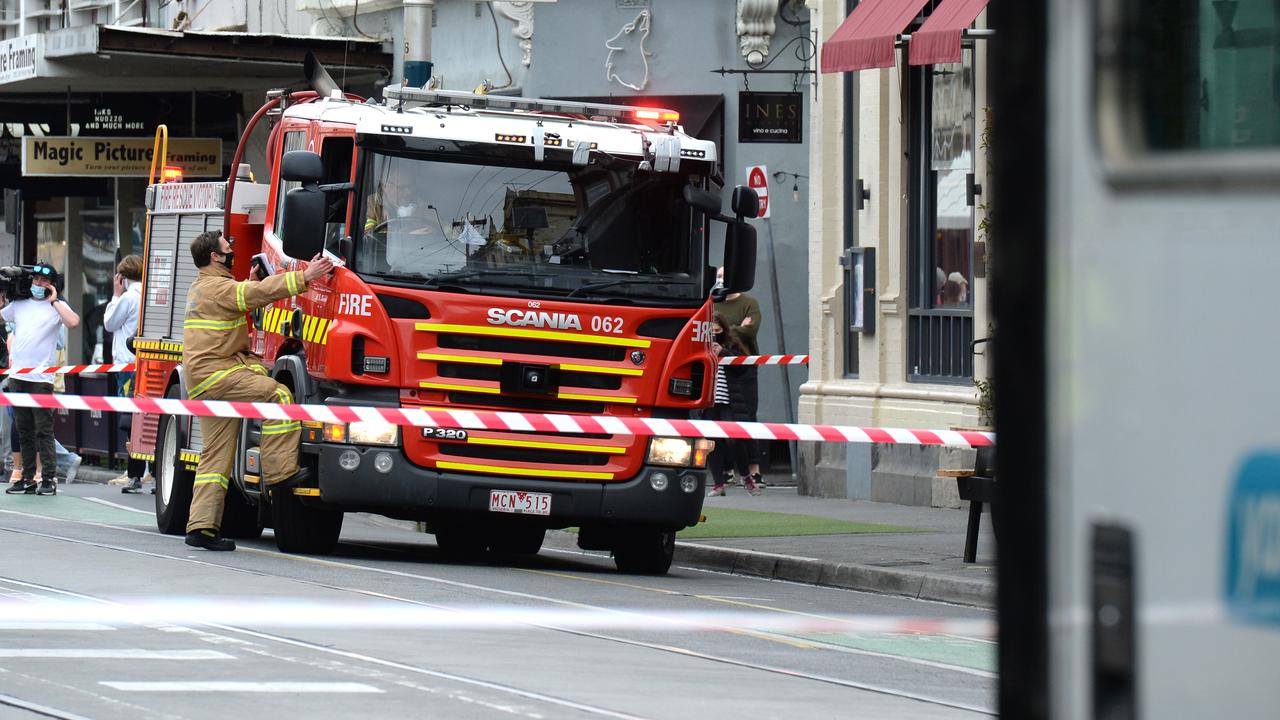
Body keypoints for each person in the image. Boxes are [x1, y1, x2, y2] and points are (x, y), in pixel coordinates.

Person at [181, 230, 333, 550]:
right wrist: (307, 276)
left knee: (215, 457)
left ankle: (201, 528)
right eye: (227, 248)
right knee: (278, 396)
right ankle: (279, 476)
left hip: (203, 380)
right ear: (215, 257)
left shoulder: (203, 286)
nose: (232, 250)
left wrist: (247, 281)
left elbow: (239, 295)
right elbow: (260, 294)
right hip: (218, 375)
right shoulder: (218, 288)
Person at [3, 262, 80, 496]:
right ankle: (27, 477)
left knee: (43, 430)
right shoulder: (19, 305)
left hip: (41, 379)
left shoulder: (55, 307)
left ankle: (48, 478)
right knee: (23, 429)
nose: (38, 284)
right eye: (35, 280)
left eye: (44, 281)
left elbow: (74, 322)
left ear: (52, 284)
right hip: (18, 376)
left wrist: (55, 300)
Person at [713, 265, 764, 484]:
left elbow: (750, 330)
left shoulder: (749, 303)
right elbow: (708, 329)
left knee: (746, 416)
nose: (721, 280)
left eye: (725, 275)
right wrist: (736, 327)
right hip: (719, 369)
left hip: (744, 369)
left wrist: (724, 328)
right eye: (718, 276)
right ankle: (726, 470)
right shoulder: (712, 304)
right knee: (718, 417)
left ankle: (754, 469)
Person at [705, 314, 762, 497]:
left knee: (734, 439)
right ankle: (718, 483)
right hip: (709, 401)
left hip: (729, 400)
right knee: (712, 442)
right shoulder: (700, 346)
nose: (714, 335)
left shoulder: (732, 345)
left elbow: (742, 367)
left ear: (724, 330)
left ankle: (746, 477)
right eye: (711, 331)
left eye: (718, 331)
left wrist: (723, 352)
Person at [104, 255, 145, 493]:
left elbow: (110, 324)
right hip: (143, 363)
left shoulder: (127, 297)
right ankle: (145, 471)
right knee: (144, 418)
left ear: (121, 277)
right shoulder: (146, 293)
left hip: (127, 366)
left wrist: (115, 295)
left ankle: (134, 474)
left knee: (129, 422)